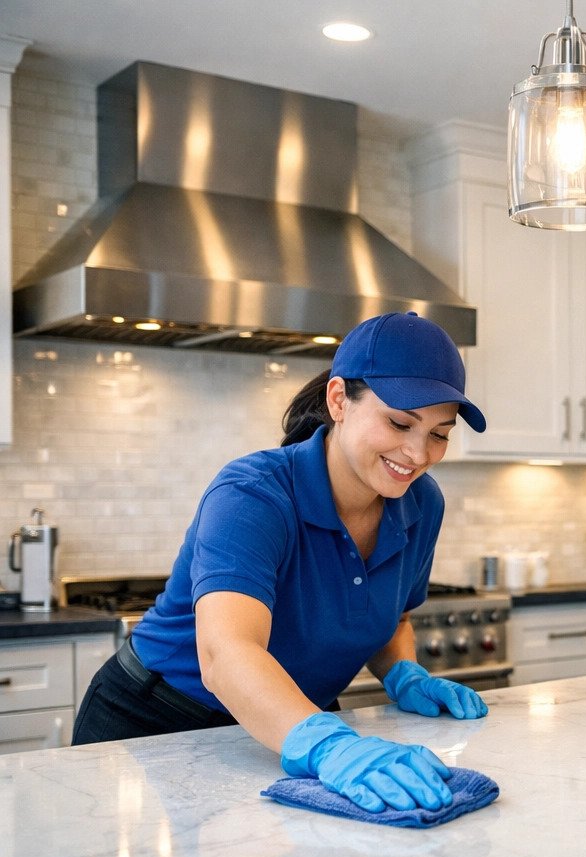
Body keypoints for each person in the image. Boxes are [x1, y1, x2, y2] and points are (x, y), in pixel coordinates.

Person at [74, 312, 491, 814]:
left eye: (440, 433)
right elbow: (226, 653)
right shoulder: (253, 494)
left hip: (292, 723)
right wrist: (330, 745)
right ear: (339, 400)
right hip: (157, 722)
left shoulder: (422, 503)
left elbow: (390, 615)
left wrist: (405, 674)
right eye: (400, 423)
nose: (418, 452)